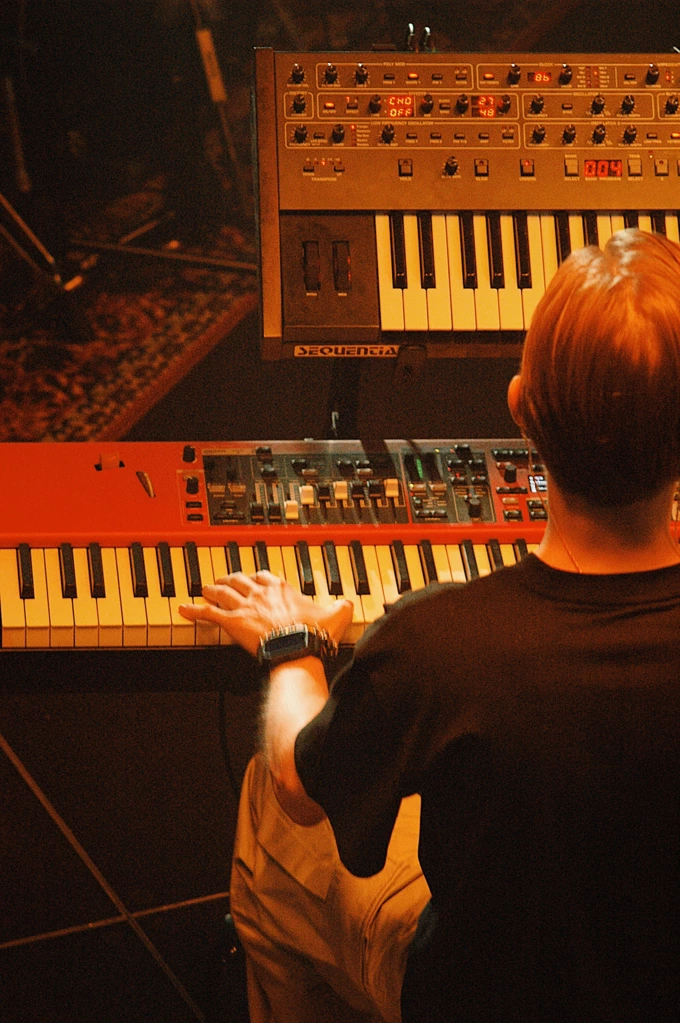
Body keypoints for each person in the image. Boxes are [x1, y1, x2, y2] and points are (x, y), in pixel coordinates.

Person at [180, 228, 680, 1023]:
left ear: (521, 407)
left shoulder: (441, 644)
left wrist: (292, 645)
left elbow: (301, 787)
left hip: (488, 1000)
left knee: (270, 808)